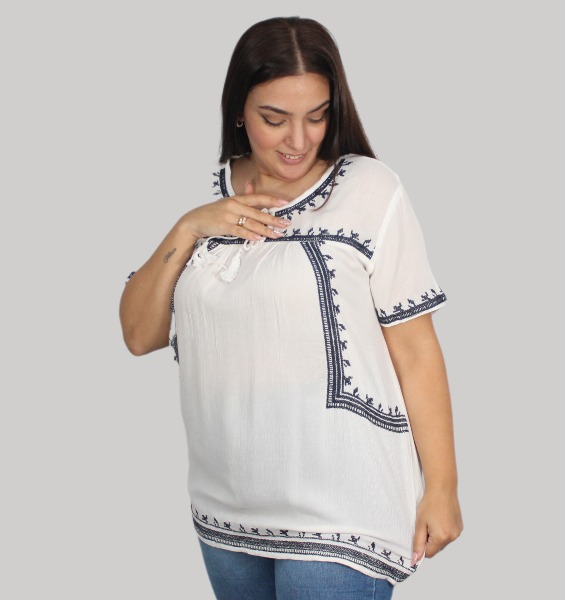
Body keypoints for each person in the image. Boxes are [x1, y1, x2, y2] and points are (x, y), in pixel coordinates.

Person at [119, 16, 463, 600]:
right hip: (225, 509)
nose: (298, 141)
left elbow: (415, 348)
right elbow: (138, 333)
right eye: (274, 119)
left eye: (317, 116)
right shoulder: (206, 194)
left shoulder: (370, 190)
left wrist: (443, 487)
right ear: (238, 111)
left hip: (342, 509)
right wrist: (190, 227)